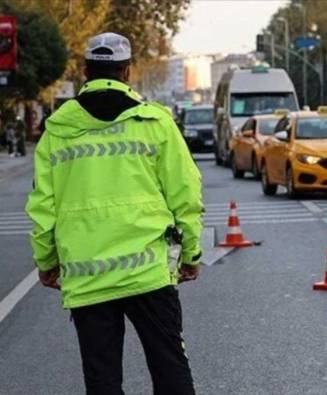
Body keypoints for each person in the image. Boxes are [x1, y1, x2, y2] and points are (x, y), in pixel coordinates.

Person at [25, 32, 203, 395]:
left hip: (89, 277)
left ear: (85, 70)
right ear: (127, 71)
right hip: (149, 272)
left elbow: (43, 206)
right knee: (170, 368)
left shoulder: (58, 130)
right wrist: (191, 253)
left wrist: (46, 262)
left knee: (103, 381)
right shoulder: (155, 122)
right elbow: (186, 193)